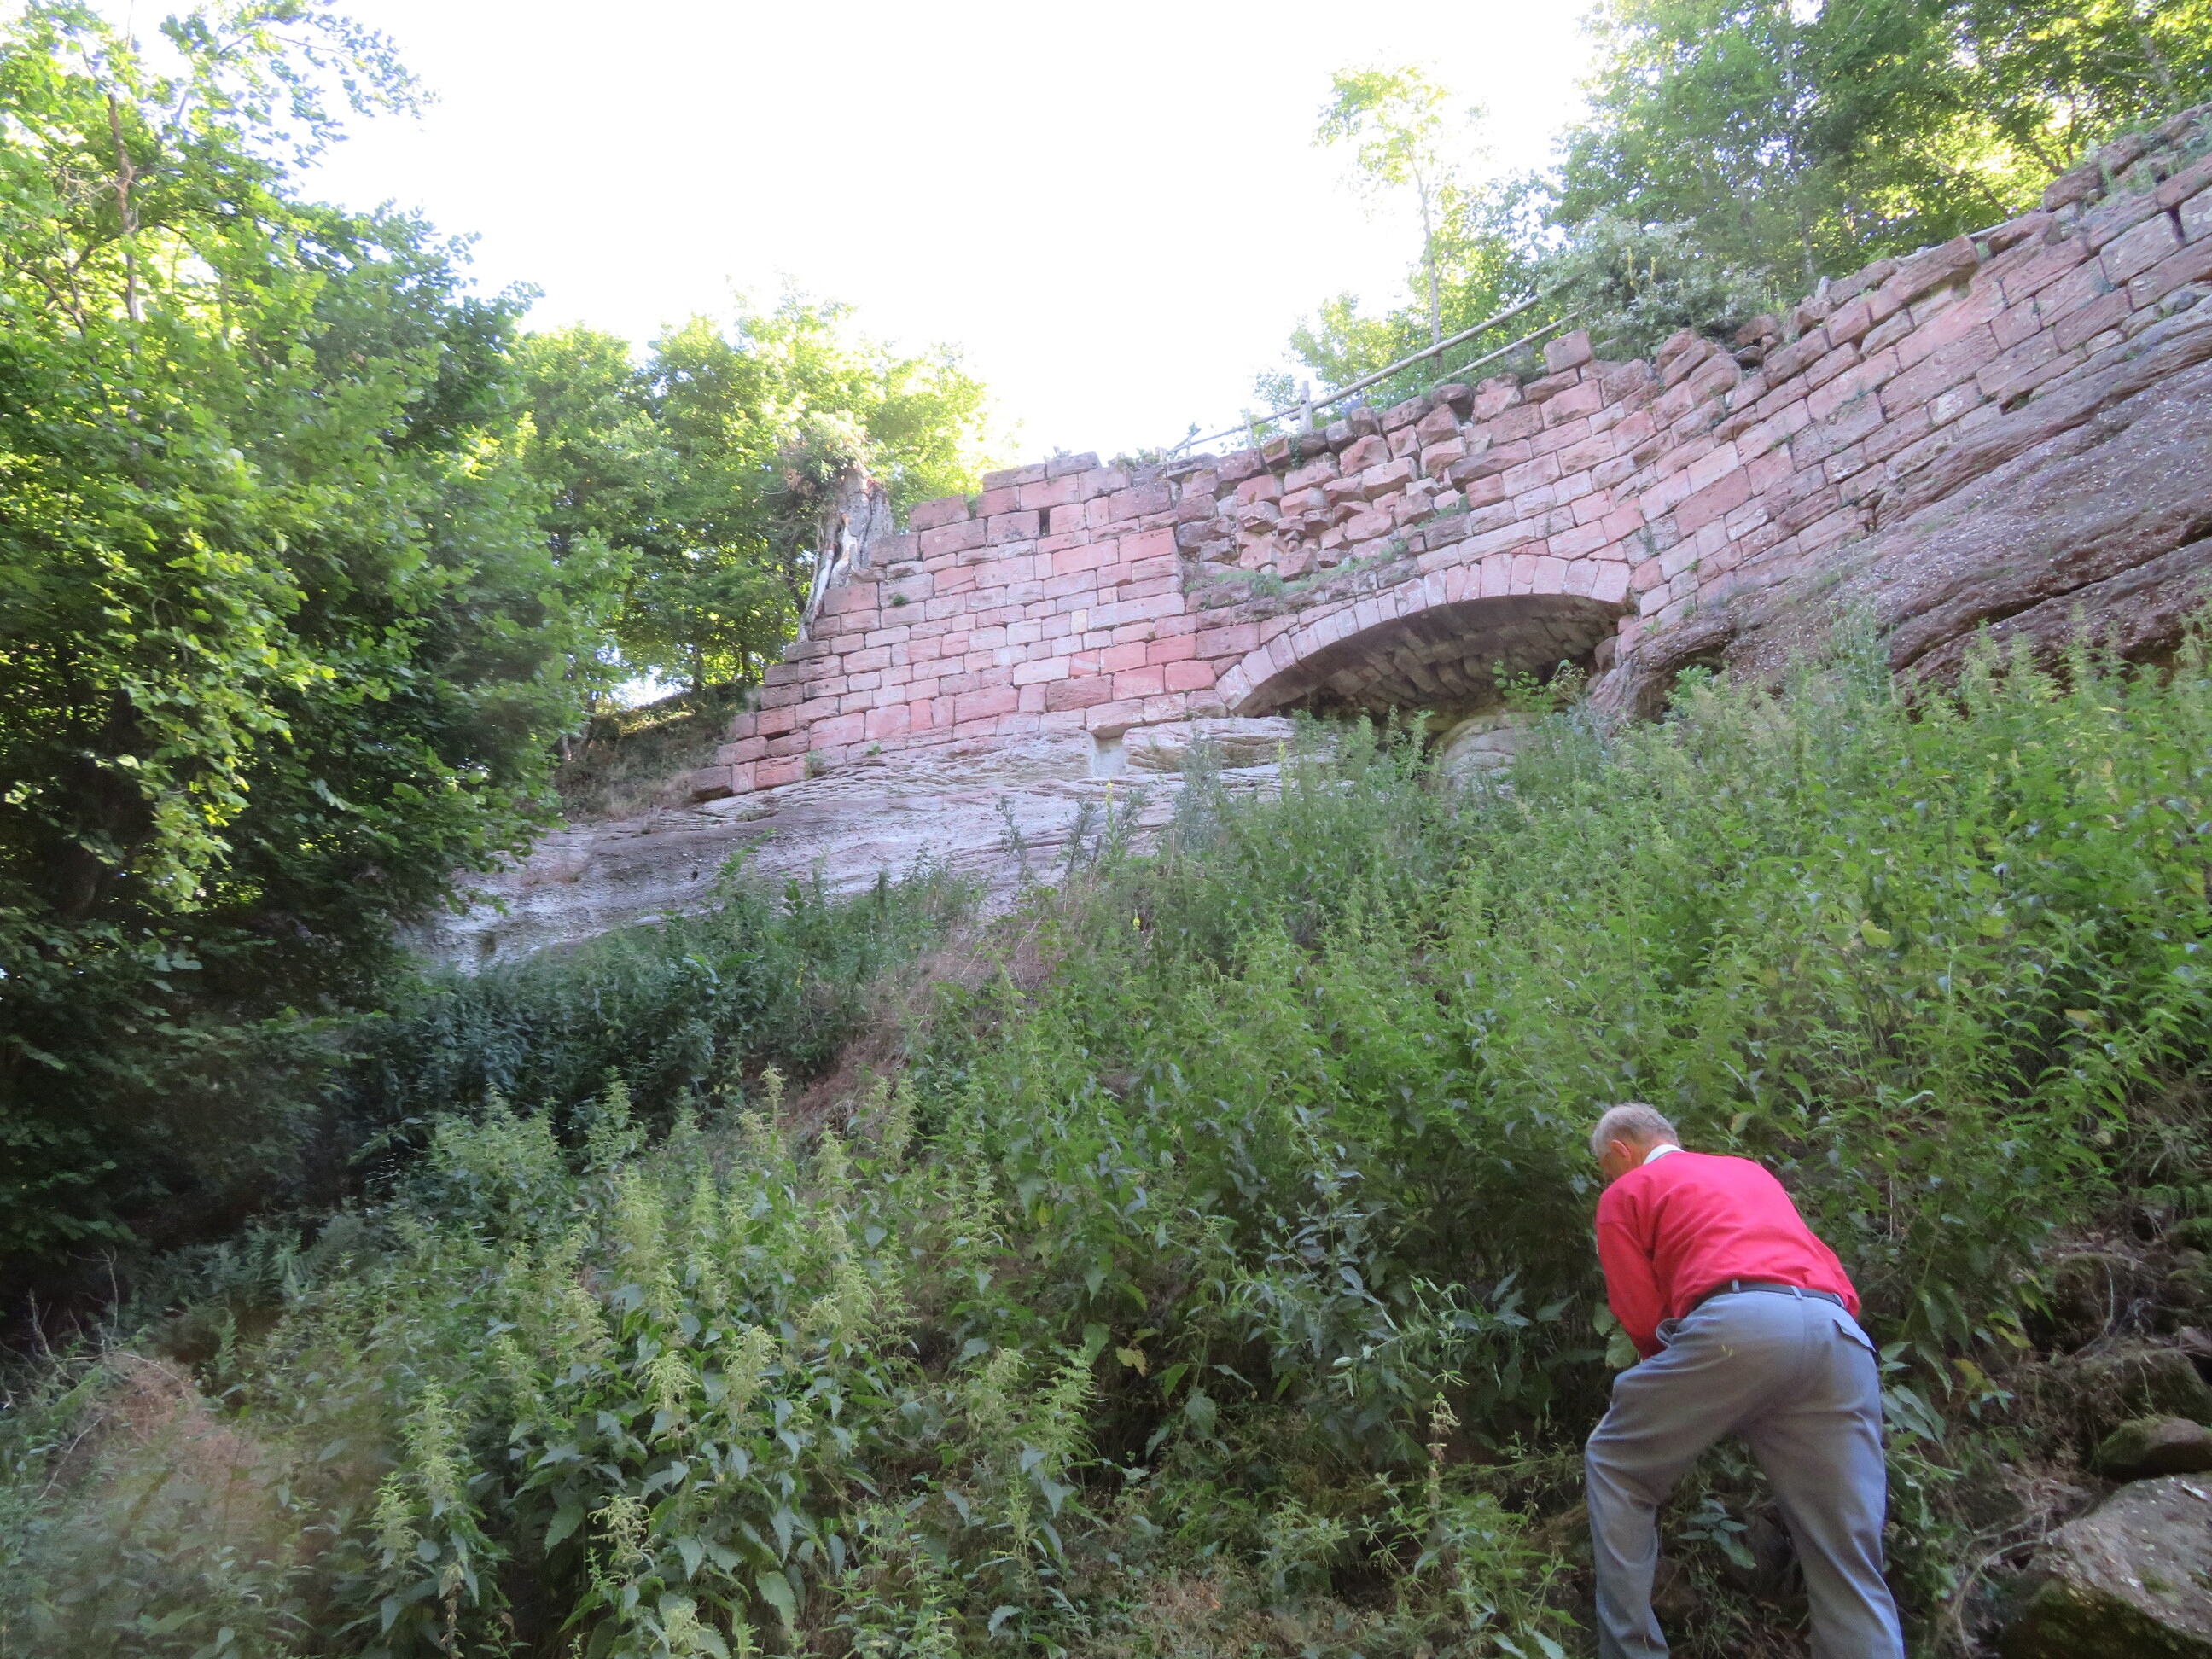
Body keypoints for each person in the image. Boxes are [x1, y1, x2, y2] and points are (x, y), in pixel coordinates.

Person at [1584, 1103, 1905, 1659]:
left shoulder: (1626, 1193)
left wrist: (1685, 1389)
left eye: (1606, 1169)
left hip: (1740, 1327)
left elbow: (1640, 1315)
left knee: (1616, 1464)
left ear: (1620, 1150)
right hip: (1838, 1335)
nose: (1608, 1181)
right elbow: (1818, 1261)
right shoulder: (1748, 1172)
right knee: (1844, 1548)